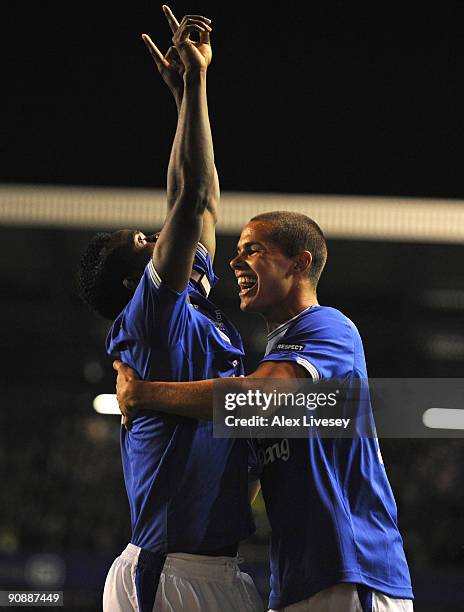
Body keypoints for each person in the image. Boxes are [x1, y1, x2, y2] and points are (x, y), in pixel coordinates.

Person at [115, 211, 414, 612]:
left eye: (253, 250)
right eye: (236, 252)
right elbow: (246, 474)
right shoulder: (277, 356)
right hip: (296, 581)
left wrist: (144, 394)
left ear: (300, 263)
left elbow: (258, 395)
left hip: (352, 571)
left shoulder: (329, 328)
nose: (236, 262)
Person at [77, 6, 262, 611]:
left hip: (217, 569)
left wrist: (186, 95)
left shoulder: (186, 306)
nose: (156, 236)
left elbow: (202, 210)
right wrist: (200, 85)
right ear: (136, 278)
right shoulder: (149, 323)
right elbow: (190, 197)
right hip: (167, 572)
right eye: (142, 241)